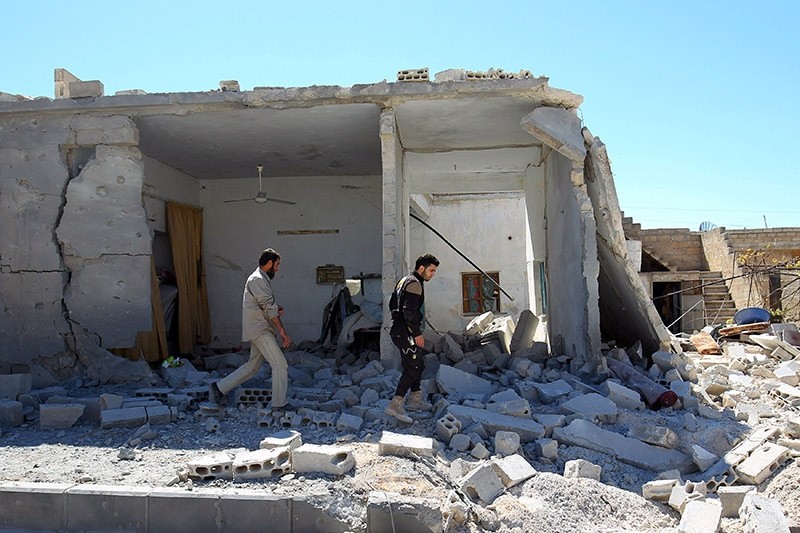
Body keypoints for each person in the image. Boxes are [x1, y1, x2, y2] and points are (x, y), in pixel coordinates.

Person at [210, 248, 292, 409]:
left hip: (259, 328)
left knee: (252, 366)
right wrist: (282, 330)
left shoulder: (260, 279)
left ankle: (219, 388)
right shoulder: (257, 280)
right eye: (276, 264)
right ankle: (279, 405)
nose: (277, 268)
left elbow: (264, 305)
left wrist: (276, 309)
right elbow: (268, 306)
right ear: (269, 263)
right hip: (260, 330)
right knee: (280, 364)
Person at [384, 253, 440, 423]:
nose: (432, 274)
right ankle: (395, 404)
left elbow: (392, 305)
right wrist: (416, 333)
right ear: (421, 268)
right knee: (413, 367)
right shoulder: (415, 284)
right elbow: (409, 311)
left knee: (418, 364)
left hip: (399, 330)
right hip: (405, 332)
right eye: (431, 270)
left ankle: (415, 401)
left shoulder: (404, 281)